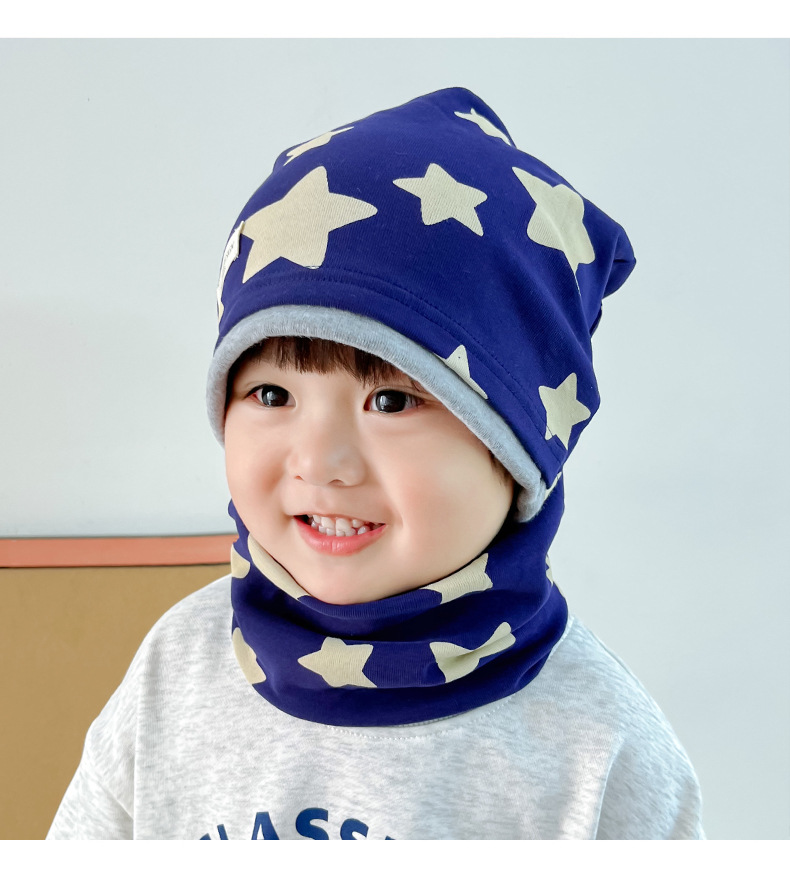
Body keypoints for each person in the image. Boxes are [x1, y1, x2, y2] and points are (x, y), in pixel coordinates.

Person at [47, 87, 704, 840]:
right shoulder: (178, 667)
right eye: (271, 394)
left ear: (519, 450)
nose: (319, 462)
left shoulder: (598, 748)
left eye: (391, 401)